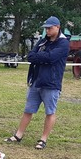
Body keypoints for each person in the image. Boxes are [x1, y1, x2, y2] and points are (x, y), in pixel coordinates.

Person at [5, 15, 70, 150]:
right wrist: (41, 57)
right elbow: (31, 56)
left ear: (58, 27)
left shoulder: (63, 43)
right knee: (28, 110)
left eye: (50, 28)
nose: (47, 31)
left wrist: (39, 57)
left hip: (51, 83)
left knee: (50, 112)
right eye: (46, 28)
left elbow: (52, 58)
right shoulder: (42, 42)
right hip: (36, 82)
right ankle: (18, 135)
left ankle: (43, 139)